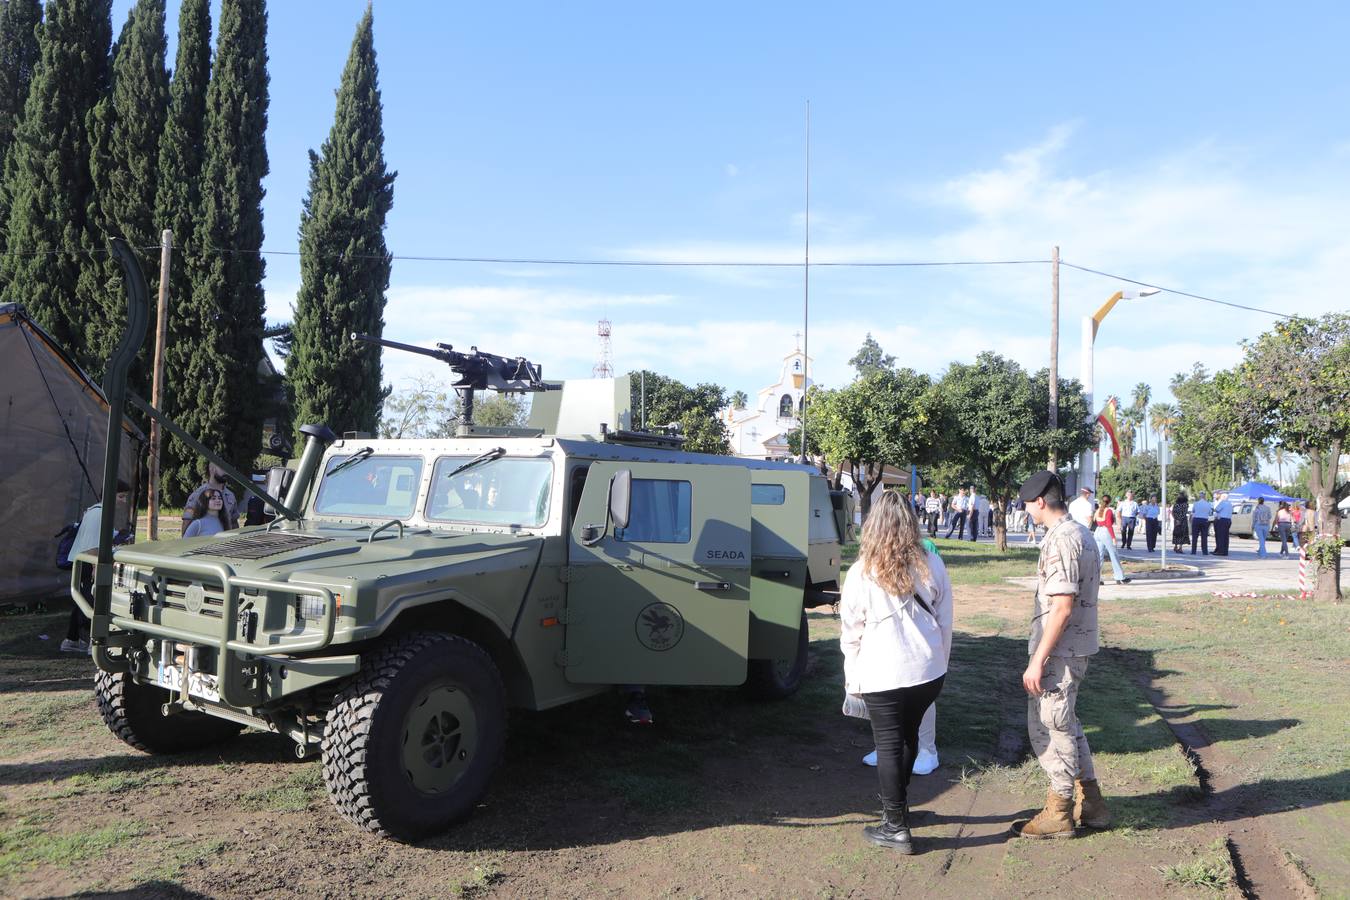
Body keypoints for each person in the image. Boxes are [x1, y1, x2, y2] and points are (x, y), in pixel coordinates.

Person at [840, 492, 953, 853]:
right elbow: (945, 622)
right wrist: (941, 663)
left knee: (890, 745)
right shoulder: (932, 564)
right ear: (911, 522)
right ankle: (899, 812)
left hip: (883, 674)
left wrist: (851, 679)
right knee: (908, 739)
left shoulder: (862, 572)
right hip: (927, 672)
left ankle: (894, 825)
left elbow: (851, 631)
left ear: (873, 524)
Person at [1012, 471, 1110, 839]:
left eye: (1027, 504)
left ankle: (1060, 811)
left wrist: (1038, 659)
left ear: (1040, 502)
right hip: (1072, 648)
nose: (1026, 510)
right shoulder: (1080, 532)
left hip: (1060, 652)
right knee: (1067, 724)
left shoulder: (1063, 539)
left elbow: (1063, 606)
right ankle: (1093, 804)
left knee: (1050, 727)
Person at [61, 480, 131, 654]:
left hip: (85, 561)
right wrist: (96, 567)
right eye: (121, 496)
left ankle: (72, 640)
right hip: (89, 563)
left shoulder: (95, 512)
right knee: (94, 602)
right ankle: (93, 643)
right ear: (110, 495)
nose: (123, 501)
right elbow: (92, 546)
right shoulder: (100, 514)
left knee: (83, 601)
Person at [183, 463, 239, 531]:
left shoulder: (230, 495)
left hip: (225, 539)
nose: (226, 472)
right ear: (212, 469)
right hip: (206, 539)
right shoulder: (198, 495)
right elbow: (187, 523)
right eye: (222, 468)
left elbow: (234, 522)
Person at [1093, 494, 1130, 585]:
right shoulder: (1108, 511)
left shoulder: (1098, 510)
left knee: (1099, 556)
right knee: (1113, 555)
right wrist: (1113, 537)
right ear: (1109, 502)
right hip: (1105, 532)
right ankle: (1120, 577)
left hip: (1098, 531)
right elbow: (1109, 525)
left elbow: (1095, 521)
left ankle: (1097, 578)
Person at [1212, 491, 1233, 556]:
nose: (1220, 497)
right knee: (1225, 537)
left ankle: (1220, 551)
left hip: (1222, 520)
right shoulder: (1230, 503)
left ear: (1223, 497)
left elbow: (1216, 509)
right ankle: (1225, 551)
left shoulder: (1223, 502)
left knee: (1220, 536)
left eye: (1221, 496)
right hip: (1228, 520)